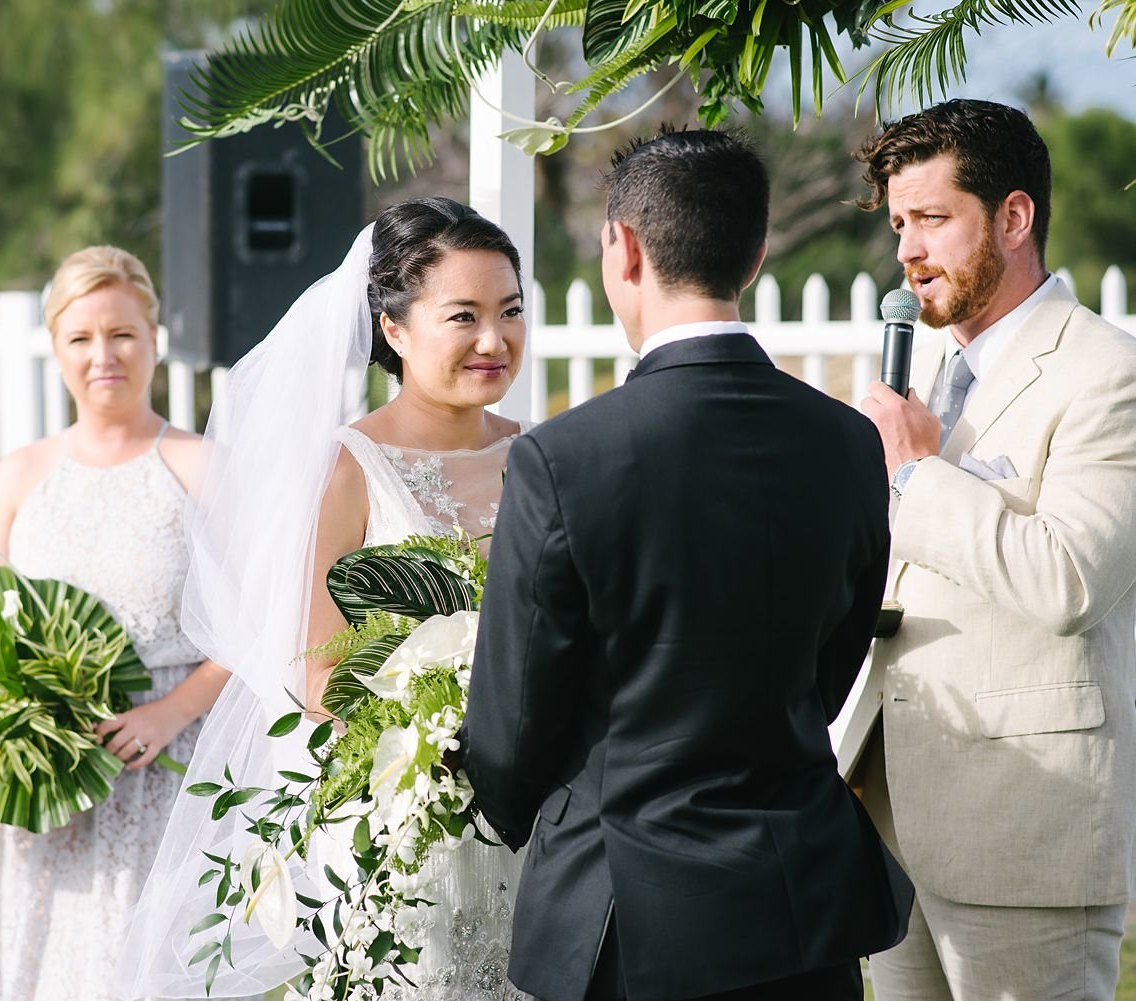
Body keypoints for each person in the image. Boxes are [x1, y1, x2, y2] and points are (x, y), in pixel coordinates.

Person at [461, 128, 913, 1001]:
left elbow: (510, 733)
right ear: (756, 250)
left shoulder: (564, 459)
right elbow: (832, 667)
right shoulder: (849, 443)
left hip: (625, 920)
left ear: (622, 248)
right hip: (800, 907)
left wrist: (533, 816)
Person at [116, 196, 531, 1000]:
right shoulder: (344, 469)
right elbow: (312, 674)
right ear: (395, 329)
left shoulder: (540, 455)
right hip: (413, 825)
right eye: (464, 315)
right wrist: (441, 714)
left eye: (510, 311)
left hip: (534, 815)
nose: (494, 339)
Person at [854, 98, 1136, 1001]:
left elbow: (1070, 577)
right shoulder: (935, 375)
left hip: (1026, 829)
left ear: (1015, 218)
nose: (908, 251)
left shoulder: (1107, 371)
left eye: (933, 219)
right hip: (891, 820)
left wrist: (914, 470)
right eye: (901, 224)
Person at [0, 245, 230, 1000]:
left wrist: (171, 712)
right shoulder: (18, 472)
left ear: (155, 338)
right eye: (81, 338)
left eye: (123, 333)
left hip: (157, 768)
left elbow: (253, 628)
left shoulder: (202, 467)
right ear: (57, 348)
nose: (105, 355)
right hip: (38, 785)